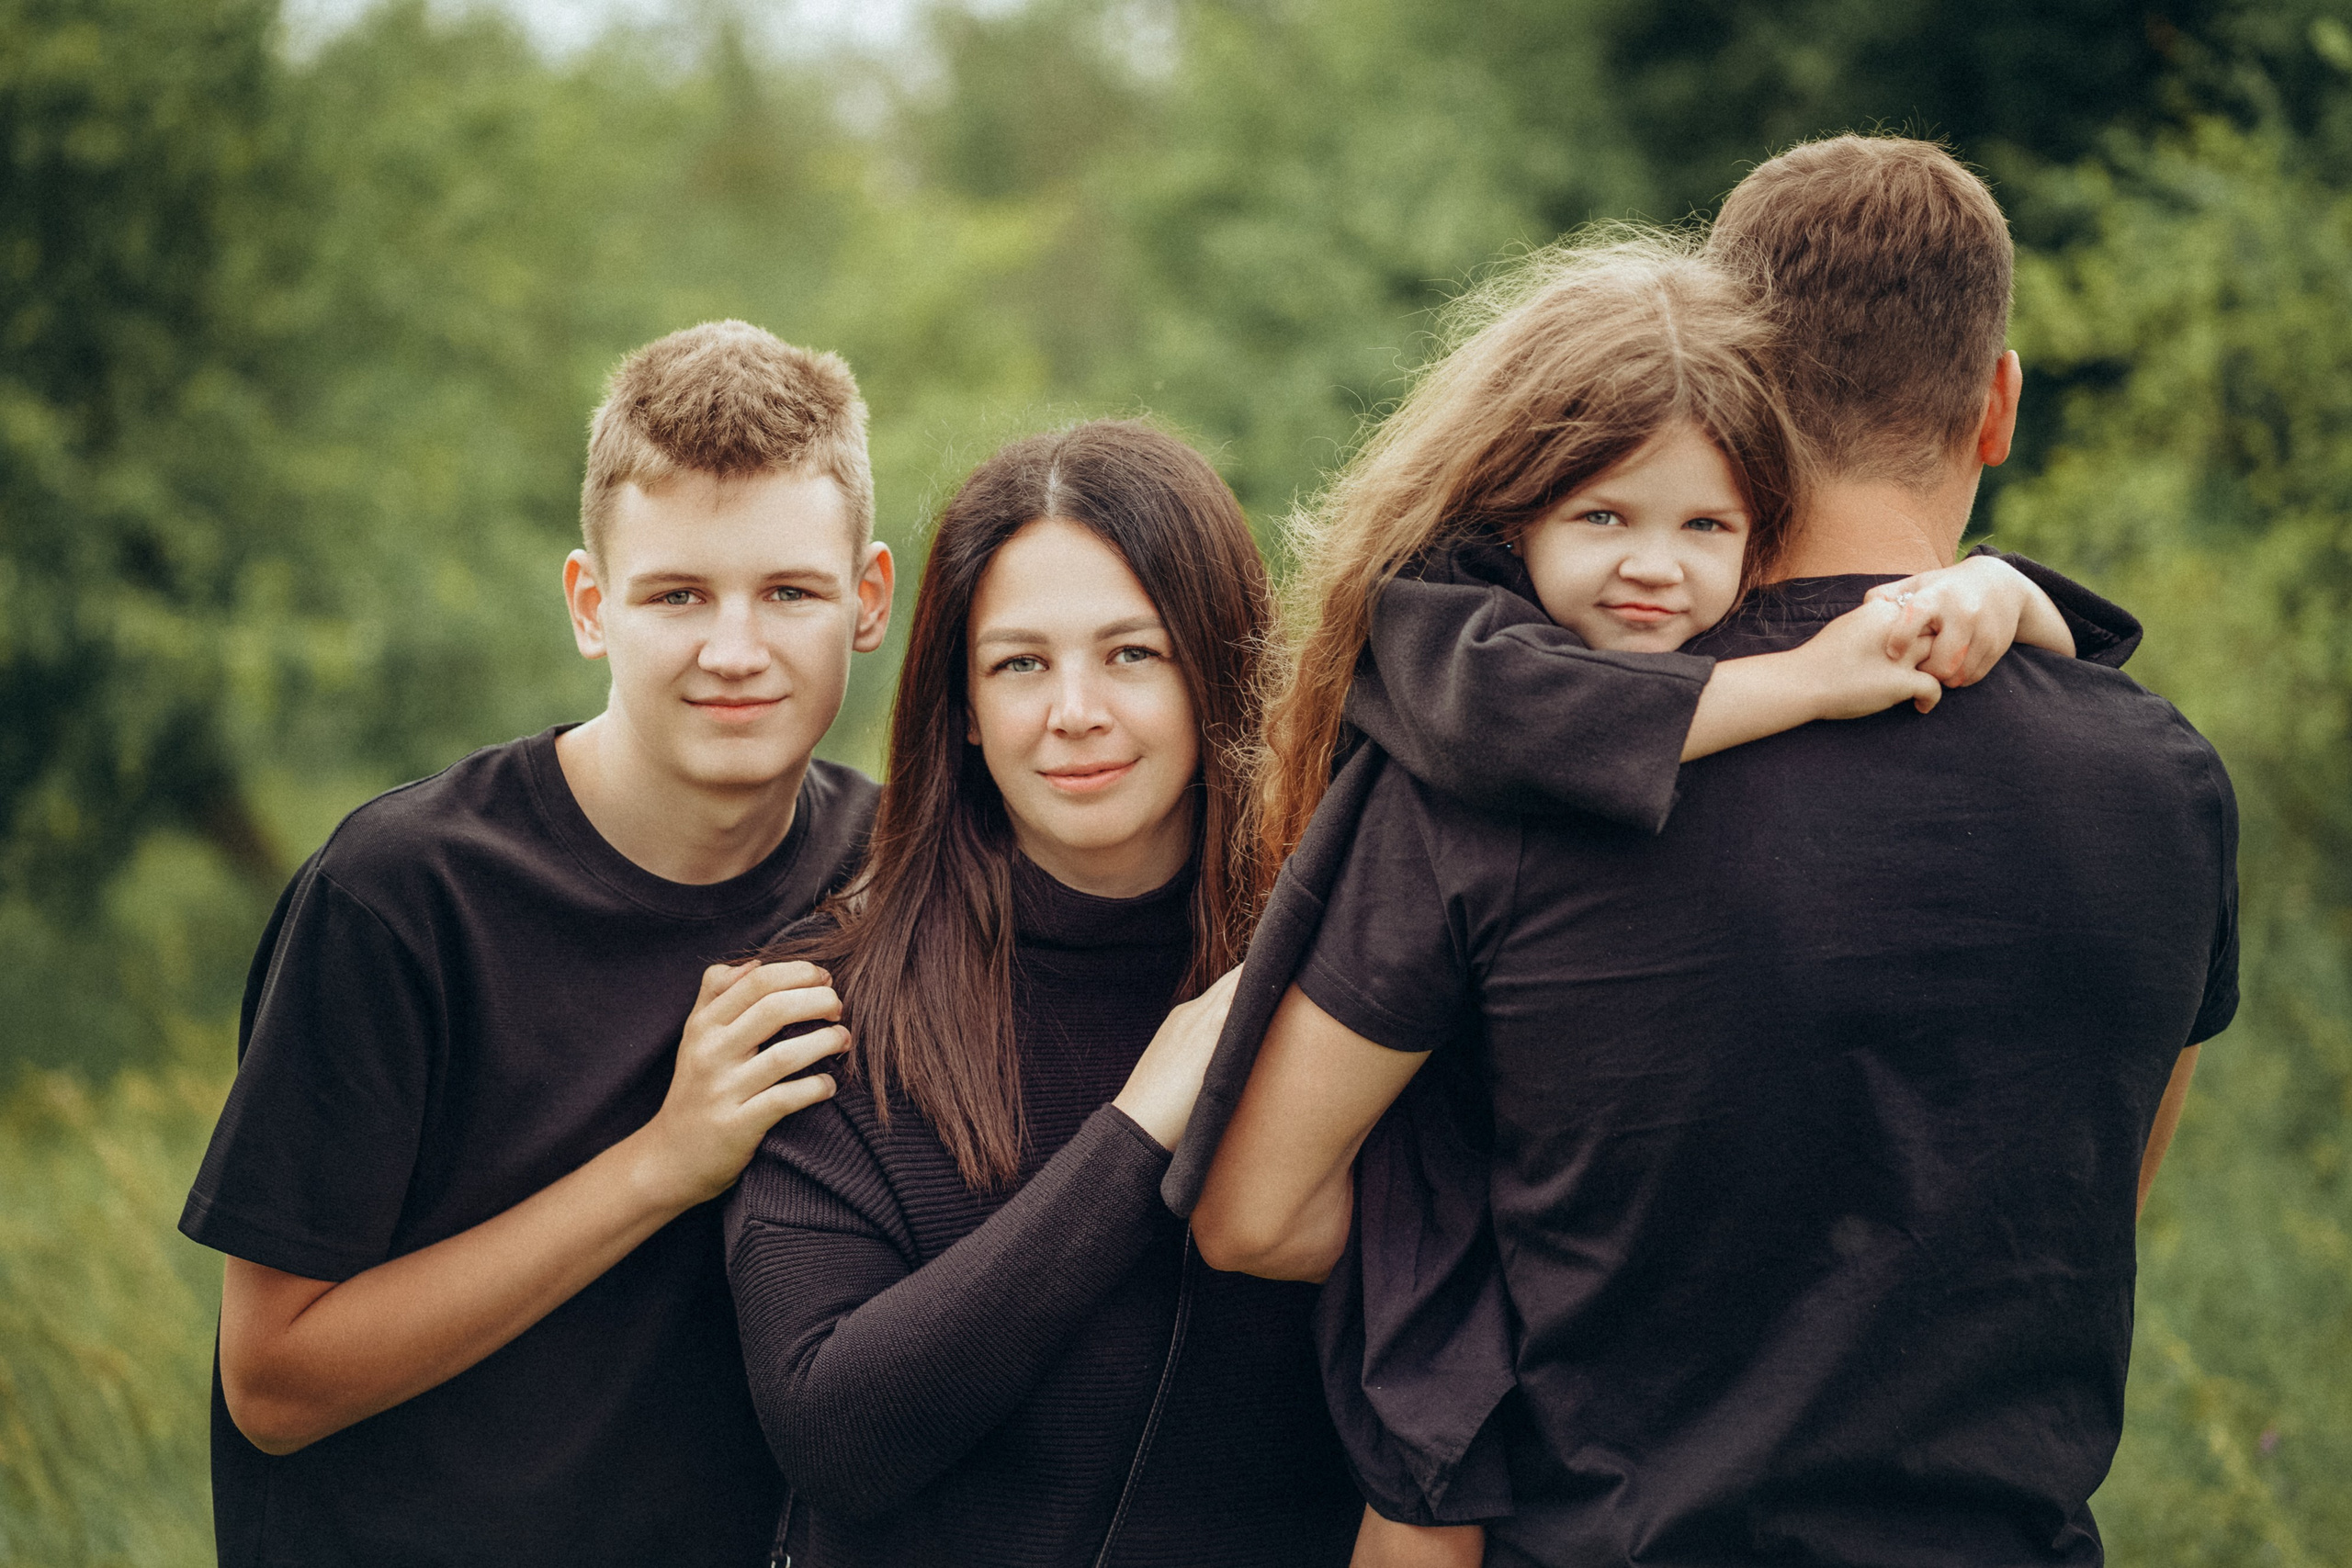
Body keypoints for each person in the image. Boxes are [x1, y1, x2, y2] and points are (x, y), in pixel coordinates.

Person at [1191, 136, 2237, 1568]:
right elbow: (2099, 1197)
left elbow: (1257, 1209)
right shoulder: (2169, 786)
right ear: (1999, 404)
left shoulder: (1520, 759)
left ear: (1745, 395)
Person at [179, 321, 893, 1567]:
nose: (735, 650)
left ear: (868, 599)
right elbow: (274, 1382)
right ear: (590, 606)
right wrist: (663, 1161)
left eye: (789, 591)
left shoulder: (894, 874)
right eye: (677, 594)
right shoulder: (401, 895)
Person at [723, 419, 1363, 1566]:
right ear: (965, 709)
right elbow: (832, 1433)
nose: (1074, 711)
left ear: (1220, 672)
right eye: (1021, 664)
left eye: (1132, 655)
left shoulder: (1344, 988)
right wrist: (1139, 1127)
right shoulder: (825, 1006)